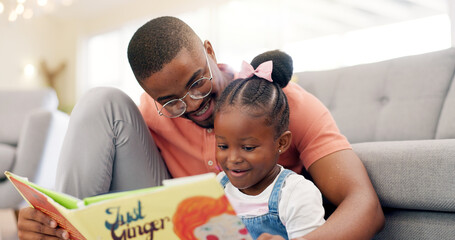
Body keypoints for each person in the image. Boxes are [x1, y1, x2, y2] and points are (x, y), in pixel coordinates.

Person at [17, 16, 384, 240]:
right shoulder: (152, 112)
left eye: (197, 83)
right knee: (101, 101)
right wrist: (44, 218)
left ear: (209, 49)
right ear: (154, 97)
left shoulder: (282, 105)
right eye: (172, 101)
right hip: (169, 224)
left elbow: (364, 205)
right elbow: (96, 161)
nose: (192, 105)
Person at [214, 50, 326, 239]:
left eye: (248, 148)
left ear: (281, 143)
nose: (232, 159)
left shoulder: (296, 194)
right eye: (223, 146)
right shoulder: (218, 187)